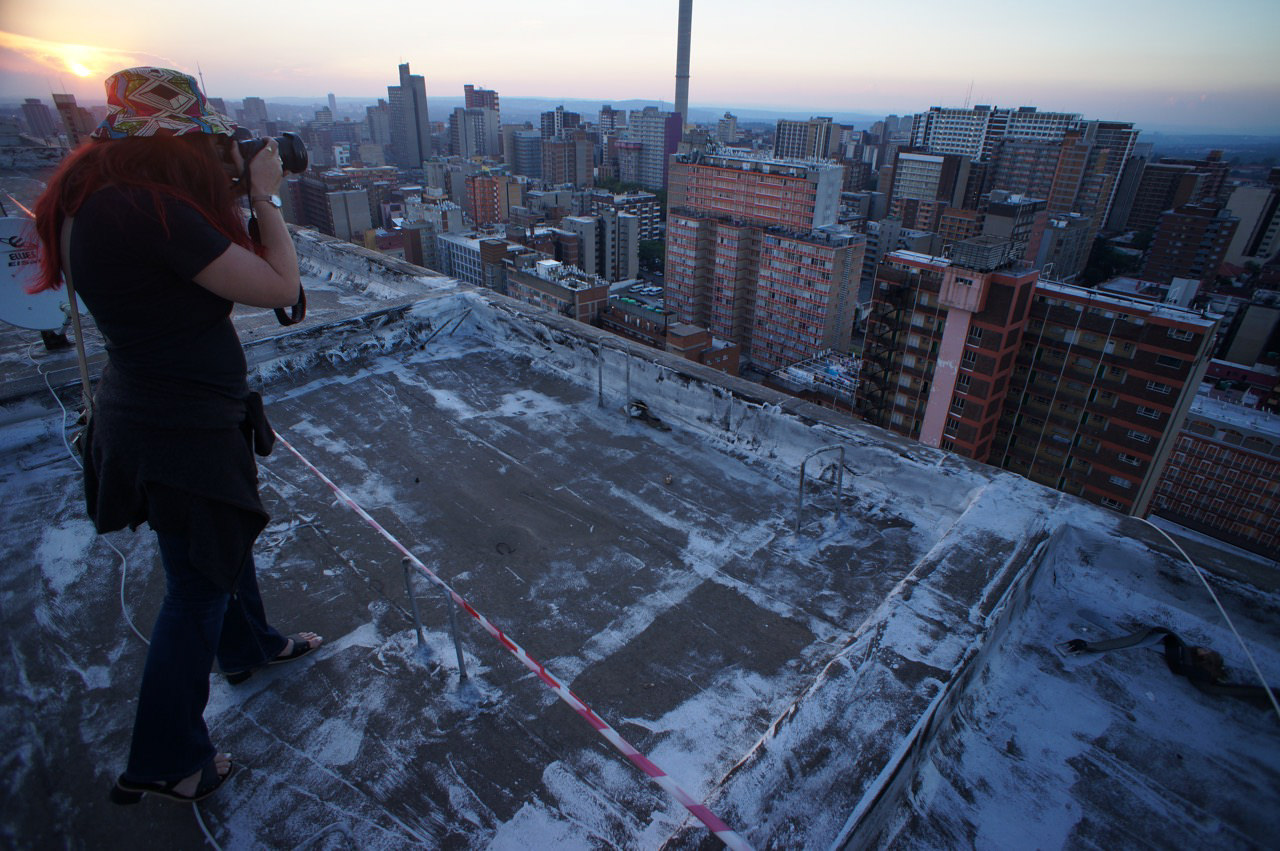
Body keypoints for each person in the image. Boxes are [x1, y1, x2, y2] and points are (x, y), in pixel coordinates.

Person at [32, 67, 322, 804]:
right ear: (175, 145)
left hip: (162, 411)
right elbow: (280, 287)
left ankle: (249, 647)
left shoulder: (103, 198)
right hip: (180, 427)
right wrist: (262, 193)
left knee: (218, 550)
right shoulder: (142, 211)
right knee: (195, 587)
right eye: (208, 141)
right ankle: (166, 757)